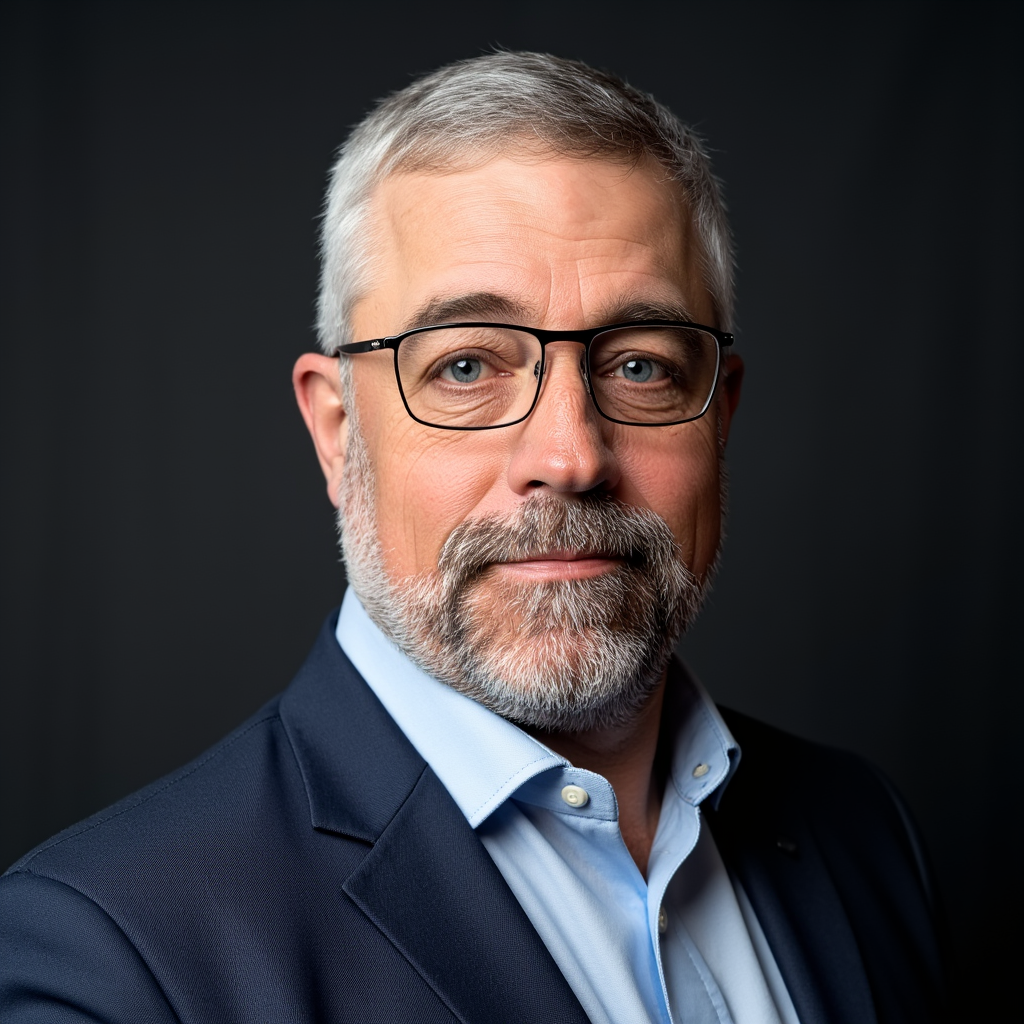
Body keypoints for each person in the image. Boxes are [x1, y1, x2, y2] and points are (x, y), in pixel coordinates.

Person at [0, 52, 945, 1023]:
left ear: (719, 414)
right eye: (464, 366)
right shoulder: (111, 960)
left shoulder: (861, 832)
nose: (570, 455)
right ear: (337, 432)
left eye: (638, 365)